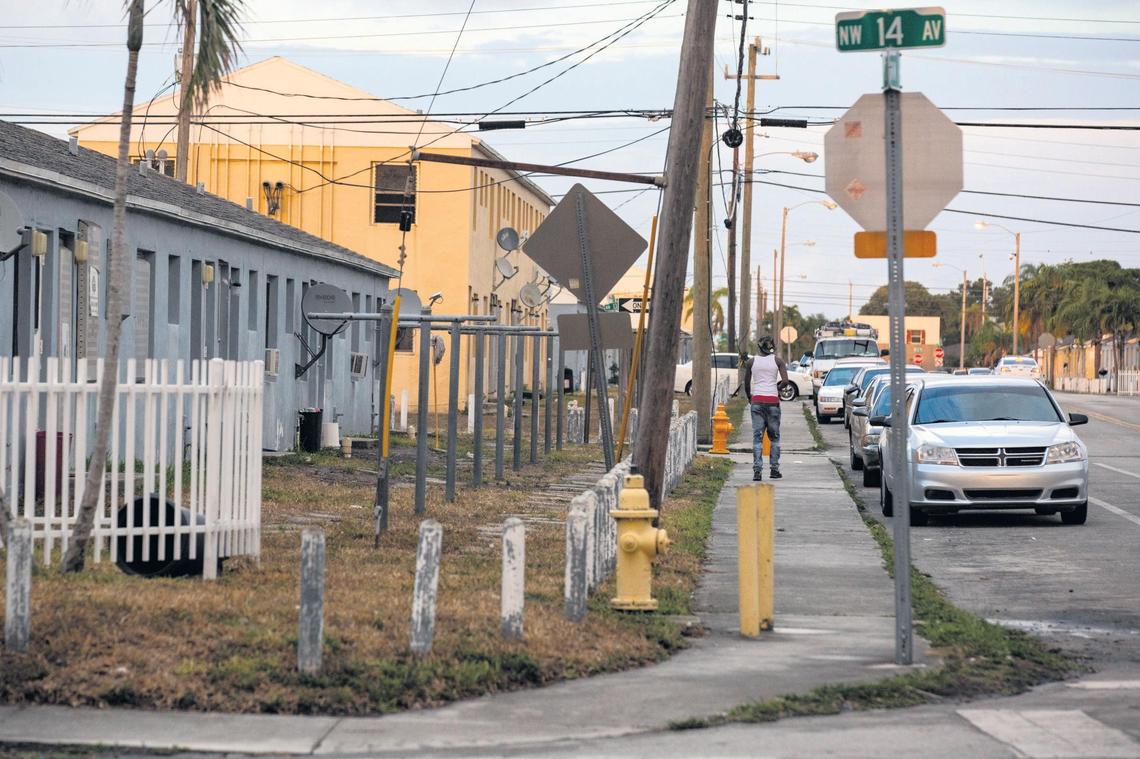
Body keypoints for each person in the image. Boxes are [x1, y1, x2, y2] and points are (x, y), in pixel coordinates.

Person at [743, 335, 789, 481]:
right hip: (773, 402)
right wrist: (776, 387)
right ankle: (774, 470)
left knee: (757, 438)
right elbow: (786, 381)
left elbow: (747, 383)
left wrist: (750, 397)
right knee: (774, 437)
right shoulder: (778, 361)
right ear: (772, 347)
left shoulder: (751, 362)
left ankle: (757, 472)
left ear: (759, 346)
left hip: (757, 401)